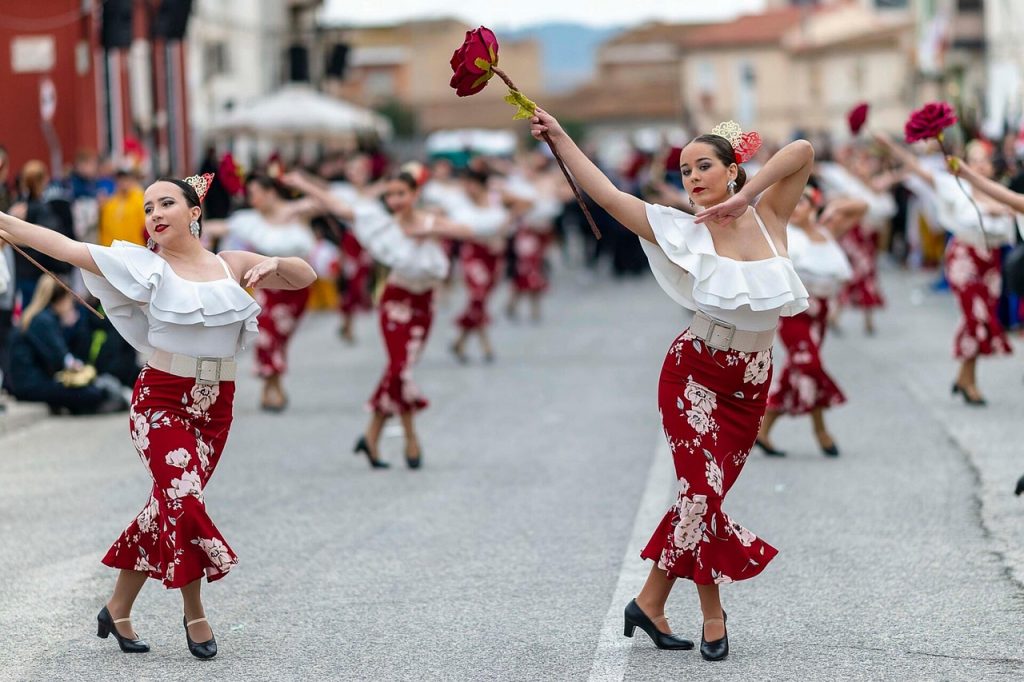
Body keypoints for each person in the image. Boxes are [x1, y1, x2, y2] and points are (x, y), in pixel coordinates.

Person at [530, 109, 813, 661]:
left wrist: (745, 197)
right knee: (702, 496)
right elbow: (610, 197)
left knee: (696, 501)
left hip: (751, 384)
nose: (692, 177)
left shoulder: (770, 215)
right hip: (695, 375)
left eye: (703, 165)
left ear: (732, 169)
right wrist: (562, 137)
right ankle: (713, 615)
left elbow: (800, 151)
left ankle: (649, 601)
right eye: (684, 171)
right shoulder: (679, 229)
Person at [0, 173, 316, 659]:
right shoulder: (143, 266)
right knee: (185, 501)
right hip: (161, 402)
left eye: (166, 203)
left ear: (194, 213)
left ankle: (117, 608)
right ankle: (195, 613)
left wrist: (275, 262)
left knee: (166, 507)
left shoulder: (231, 264)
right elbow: (65, 247)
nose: (155, 214)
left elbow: (305, 276)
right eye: (148, 208)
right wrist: (6, 222)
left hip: (216, 407)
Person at [286, 167, 461, 469]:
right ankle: (411, 438)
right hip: (396, 301)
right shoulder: (379, 223)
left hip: (424, 305)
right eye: (390, 194)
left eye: (401, 194)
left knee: (398, 371)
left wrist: (428, 231)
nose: (395, 200)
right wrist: (303, 182)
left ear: (414, 194)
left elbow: (469, 231)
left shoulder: (430, 220)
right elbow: (337, 204)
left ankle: (371, 435)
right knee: (400, 370)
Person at [881, 137, 1020, 405]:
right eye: (975, 160)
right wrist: (891, 147)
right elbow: (918, 168)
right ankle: (970, 383)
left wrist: (1001, 210)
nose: (980, 166)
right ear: (966, 163)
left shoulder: (998, 191)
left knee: (981, 320)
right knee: (974, 317)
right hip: (965, 258)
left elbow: (1014, 210)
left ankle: (964, 378)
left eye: (985, 161)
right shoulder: (954, 186)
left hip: (990, 261)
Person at [756, 188, 863, 457]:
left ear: (814, 207)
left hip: (821, 314)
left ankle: (764, 429)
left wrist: (835, 205)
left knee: (799, 370)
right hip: (794, 313)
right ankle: (821, 431)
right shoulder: (784, 235)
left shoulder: (827, 233)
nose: (796, 206)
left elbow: (862, 207)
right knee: (809, 364)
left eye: (802, 202)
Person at [207, 174, 316, 412]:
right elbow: (220, 226)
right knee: (267, 334)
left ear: (270, 193)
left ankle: (273, 385)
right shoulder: (248, 220)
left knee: (280, 338)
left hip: (297, 288)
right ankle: (271, 389)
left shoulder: (298, 211)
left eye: (255, 193)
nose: (252, 199)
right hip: (267, 287)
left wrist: (302, 183)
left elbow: (328, 202)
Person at [7, 275, 127, 415]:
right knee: (91, 393)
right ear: (62, 299)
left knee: (86, 390)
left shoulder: (40, 317)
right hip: (29, 384)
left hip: (27, 381)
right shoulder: (43, 320)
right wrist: (71, 328)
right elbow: (59, 358)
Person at [449, 169, 511, 363]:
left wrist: (501, 233)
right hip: (473, 252)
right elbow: (455, 229)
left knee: (482, 299)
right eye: (465, 184)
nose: (468, 188)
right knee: (478, 294)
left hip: (493, 256)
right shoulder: (459, 204)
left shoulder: (496, 199)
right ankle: (486, 346)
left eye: (471, 184)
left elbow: (525, 204)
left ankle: (460, 341)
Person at [9, 160, 75, 305]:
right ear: (41, 181)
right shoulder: (40, 209)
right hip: (37, 273)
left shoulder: (17, 206)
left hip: (21, 271)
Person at [98, 169, 147, 246]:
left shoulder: (140, 199)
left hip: (137, 248)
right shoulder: (110, 204)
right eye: (120, 180)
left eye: (126, 179)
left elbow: (145, 226)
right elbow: (105, 229)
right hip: (115, 250)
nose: (123, 183)